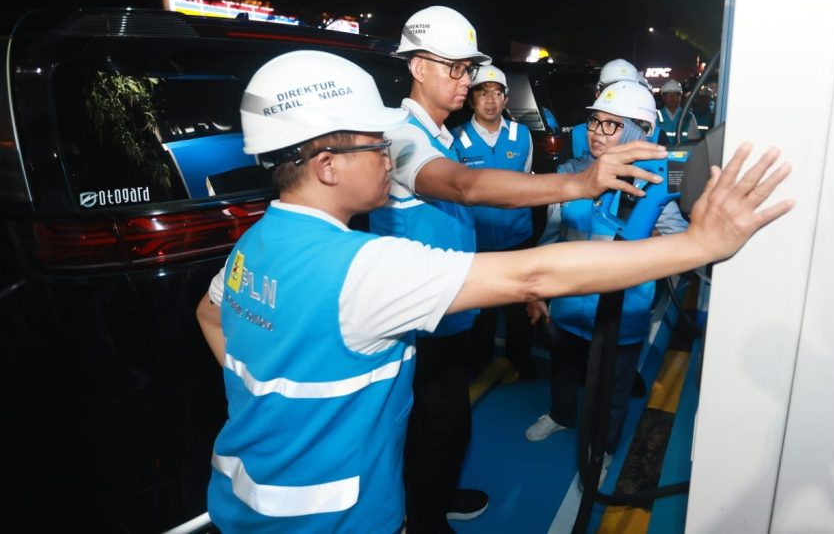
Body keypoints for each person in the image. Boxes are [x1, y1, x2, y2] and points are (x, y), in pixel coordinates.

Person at [195, 49, 793, 533]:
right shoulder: (364, 270)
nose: (388, 157)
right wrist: (701, 244)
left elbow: (210, 315)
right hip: (334, 519)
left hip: (240, 504)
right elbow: (531, 274)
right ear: (328, 165)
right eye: (376, 145)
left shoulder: (254, 245)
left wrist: (292, 406)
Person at [369, 6, 665, 532]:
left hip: (448, 310)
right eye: (455, 68)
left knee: (446, 424)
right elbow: (465, 186)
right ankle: (424, 518)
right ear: (417, 66)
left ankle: (436, 497)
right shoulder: (402, 134)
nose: (466, 80)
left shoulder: (438, 135)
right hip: (418, 321)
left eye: (469, 68)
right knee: (429, 423)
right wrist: (577, 184)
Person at [524, 81, 688, 488]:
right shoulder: (572, 173)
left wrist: (649, 236)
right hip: (568, 304)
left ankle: (603, 446)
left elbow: (682, 244)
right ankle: (561, 415)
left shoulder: (656, 183)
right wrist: (538, 292)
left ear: (638, 131)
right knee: (564, 370)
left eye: (611, 125)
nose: (596, 132)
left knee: (611, 388)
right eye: (595, 121)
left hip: (621, 313)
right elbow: (552, 234)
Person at [451, 65, 537, 380]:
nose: (490, 100)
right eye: (482, 93)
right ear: (471, 99)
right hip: (478, 244)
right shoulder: (455, 138)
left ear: (506, 99)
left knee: (519, 309)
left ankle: (520, 361)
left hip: (518, 240)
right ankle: (479, 362)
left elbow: (527, 181)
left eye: (497, 93)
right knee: (481, 313)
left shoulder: (522, 135)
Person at [570, 58, 665, 158]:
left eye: (626, 89)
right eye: (612, 89)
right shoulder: (577, 134)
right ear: (598, 94)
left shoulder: (656, 135)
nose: (618, 95)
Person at [657, 78, 701, 145]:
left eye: (676, 94)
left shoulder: (688, 117)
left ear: (680, 97)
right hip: (661, 152)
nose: (672, 97)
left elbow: (694, 142)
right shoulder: (656, 116)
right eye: (668, 94)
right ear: (663, 97)